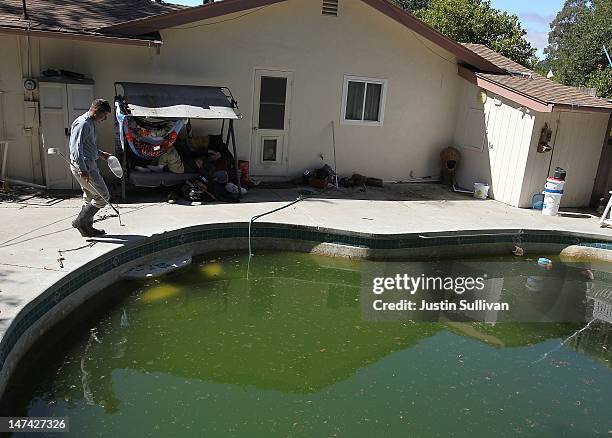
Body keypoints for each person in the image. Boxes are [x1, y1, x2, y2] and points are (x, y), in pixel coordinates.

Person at [69, 98, 113, 237]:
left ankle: (87, 229)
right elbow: (76, 148)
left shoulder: (90, 123)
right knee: (103, 196)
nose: (105, 118)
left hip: (88, 163)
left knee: (89, 196)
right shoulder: (83, 124)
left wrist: (100, 154)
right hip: (85, 165)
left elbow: (88, 146)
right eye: (104, 115)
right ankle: (80, 221)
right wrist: (83, 169)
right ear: (95, 110)